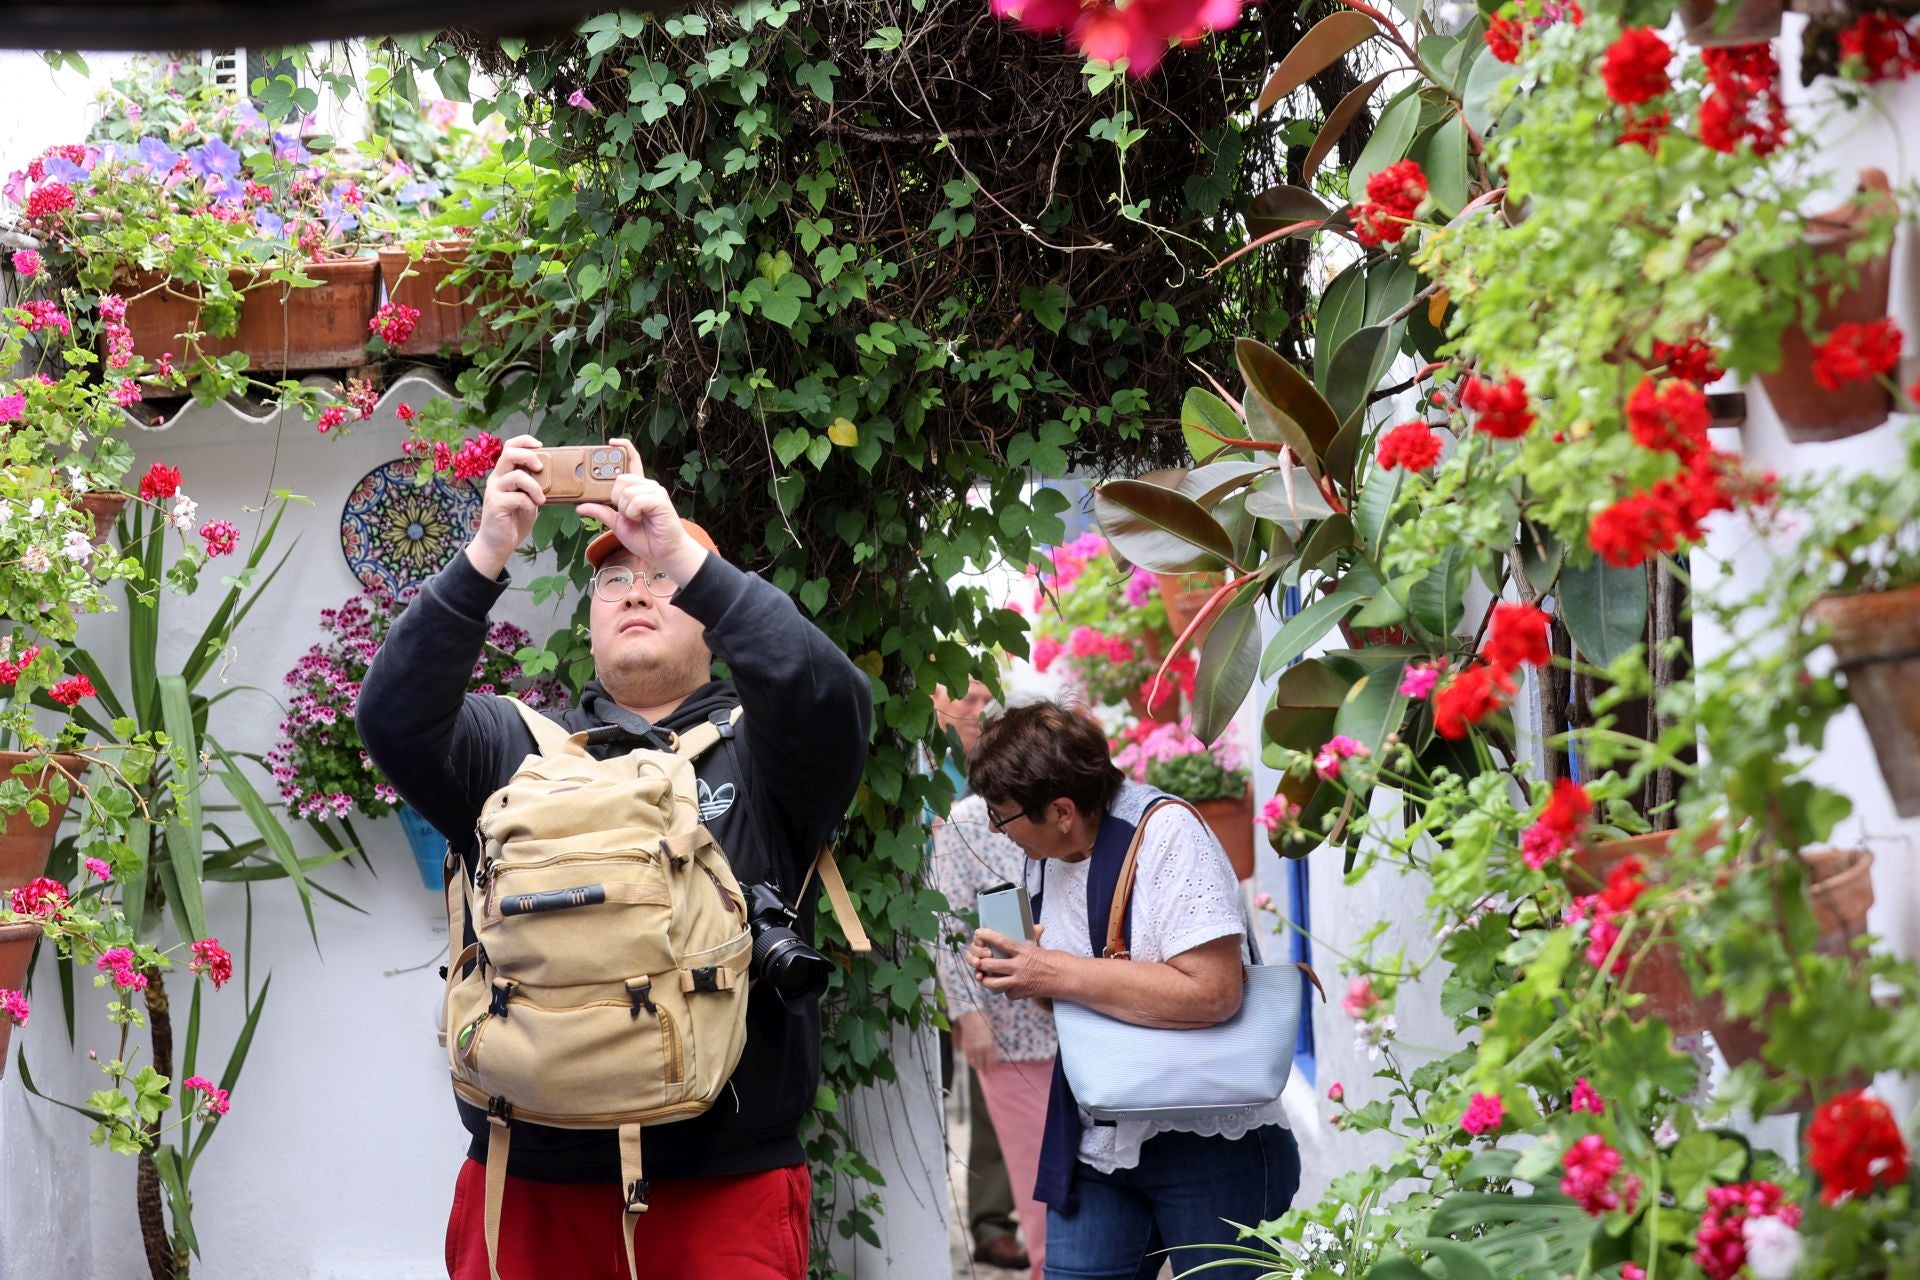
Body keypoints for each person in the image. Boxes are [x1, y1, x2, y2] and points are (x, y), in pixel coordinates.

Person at [358, 435, 871, 1280]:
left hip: (722, 1188)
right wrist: (489, 548)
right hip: (526, 1188)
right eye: (614, 581)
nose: (636, 589)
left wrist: (682, 551)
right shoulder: (509, 747)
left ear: (708, 616)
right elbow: (392, 718)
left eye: (661, 579)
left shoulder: (769, 752)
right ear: (589, 622)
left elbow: (829, 697)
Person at [962, 700, 1299, 1280]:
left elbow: (1215, 992)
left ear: (1062, 810)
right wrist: (1025, 972)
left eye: (1003, 815)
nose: (997, 829)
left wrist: (1053, 971)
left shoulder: (1168, 833)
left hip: (1209, 1139)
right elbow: (1080, 996)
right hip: (1099, 1138)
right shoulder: (1044, 858)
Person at [929, 677, 1053, 1277]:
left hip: (1083, 1022)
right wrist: (969, 1016)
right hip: (1013, 1030)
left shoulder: (1068, 817)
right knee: (1038, 1188)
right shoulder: (965, 824)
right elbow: (946, 928)